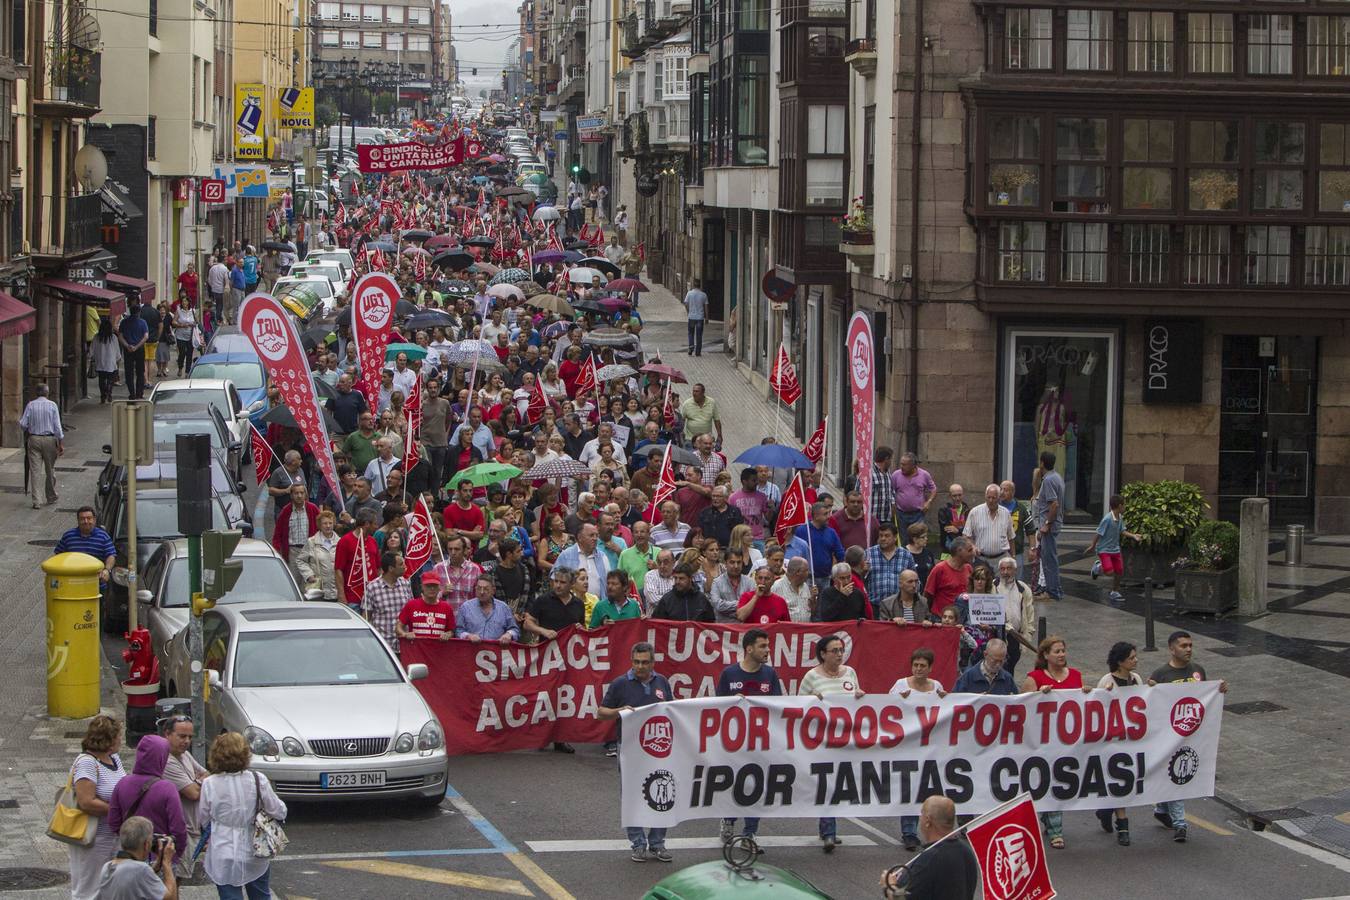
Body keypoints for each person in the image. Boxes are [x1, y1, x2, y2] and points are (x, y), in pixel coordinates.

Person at [598, 642, 676, 860]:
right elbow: (601, 713)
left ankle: (658, 843)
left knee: (663, 793)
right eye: (636, 662)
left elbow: (672, 710)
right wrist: (618, 711)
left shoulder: (662, 682)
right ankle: (638, 843)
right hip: (630, 748)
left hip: (659, 749)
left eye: (645, 662)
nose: (640, 667)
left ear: (653, 663)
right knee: (632, 795)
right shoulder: (620, 684)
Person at [1150, 630, 1228, 842]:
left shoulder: (1198, 671)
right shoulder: (1160, 675)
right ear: (1171, 648)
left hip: (1192, 736)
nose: (1188, 650)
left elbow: (1206, 700)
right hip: (1169, 738)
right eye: (1183, 646)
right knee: (1176, 777)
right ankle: (1180, 824)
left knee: (1175, 777)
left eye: (1190, 646)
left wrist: (1219, 691)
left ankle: (1161, 809)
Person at [797, 633, 865, 851]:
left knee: (840, 785)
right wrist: (811, 701)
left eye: (841, 650)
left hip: (846, 740)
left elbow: (858, 700)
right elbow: (797, 707)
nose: (839, 654)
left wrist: (861, 695)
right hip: (822, 742)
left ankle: (828, 827)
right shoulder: (811, 677)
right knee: (826, 785)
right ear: (823, 654)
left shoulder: (851, 673)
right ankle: (829, 831)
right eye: (834, 651)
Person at [200, 731, 287, 899]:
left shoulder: (209, 784)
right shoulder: (257, 779)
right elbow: (278, 810)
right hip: (254, 850)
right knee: (260, 895)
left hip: (222, 850)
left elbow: (203, 818)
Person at [717, 629, 782, 843]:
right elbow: (716, 707)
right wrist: (731, 702)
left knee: (757, 786)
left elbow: (778, 706)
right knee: (734, 783)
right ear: (749, 649)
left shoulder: (770, 674)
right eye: (763, 646)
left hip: (760, 743)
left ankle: (749, 832)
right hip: (734, 743)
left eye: (768, 646)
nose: (767, 650)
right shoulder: (729, 674)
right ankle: (728, 819)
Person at [1020, 635, 1086, 848]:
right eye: (1056, 651)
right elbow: (1021, 706)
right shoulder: (1035, 677)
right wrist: (1038, 695)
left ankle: (1050, 821)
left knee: (1061, 782)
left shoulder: (1075, 675)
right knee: (1048, 782)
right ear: (1045, 655)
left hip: (1068, 742)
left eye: (1063, 651)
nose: (1061, 655)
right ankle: (1056, 830)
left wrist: (1089, 693)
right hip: (1042, 741)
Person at [107, 733, 188, 879]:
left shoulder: (122, 783)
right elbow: (179, 829)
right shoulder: (167, 788)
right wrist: (174, 856)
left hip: (129, 859)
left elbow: (113, 823)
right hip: (160, 859)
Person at [889, 648, 947, 849]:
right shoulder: (900, 685)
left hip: (929, 747)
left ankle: (929, 830)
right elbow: (885, 711)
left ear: (930, 668)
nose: (918, 669)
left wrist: (944, 699)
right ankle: (909, 832)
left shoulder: (936, 686)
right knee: (909, 788)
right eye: (915, 665)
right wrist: (899, 700)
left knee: (926, 789)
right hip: (907, 746)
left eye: (923, 666)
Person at [1093, 641, 1146, 846]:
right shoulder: (1107, 681)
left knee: (1126, 781)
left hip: (1131, 740)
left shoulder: (1136, 679)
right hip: (1112, 742)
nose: (1136, 660)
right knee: (1119, 780)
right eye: (1131, 657)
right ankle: (1122, 825)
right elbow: (1096, 709)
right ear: (1120, 661)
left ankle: (1105, 811)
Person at [68, 715, 126, 899]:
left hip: (113, 834)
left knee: (111, 887)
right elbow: (86, 801)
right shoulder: (87, 762)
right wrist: (117, 810)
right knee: (90, 890)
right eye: (118, 736)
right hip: (93, 837)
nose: (121, 739)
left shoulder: (114, 758)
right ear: (107, 739)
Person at [879, 797, 979, 900]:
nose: (920, 818)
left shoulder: (929, 860)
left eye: (921, 814)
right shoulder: (966, 852)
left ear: (927, 821)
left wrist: (889, 887)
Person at [158, 715, 208, 880]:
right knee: (171, 882)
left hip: (191, 829)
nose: (186, 741)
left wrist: (196, 781)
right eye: (181, 736)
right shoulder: (167, 760)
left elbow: (208, 775)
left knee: (177, 882)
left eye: (189, 737)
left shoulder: (184, 755)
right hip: (179, 831)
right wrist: (199, 781)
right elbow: (193, 793)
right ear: (167, 734)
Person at [95, 815, 178, 900]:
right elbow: (171, 898)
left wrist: (156, 867)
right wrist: (167, 863)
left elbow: (131, 877)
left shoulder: (107, 867)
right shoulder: (140, 869)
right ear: (146, 845)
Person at [1086, 493, 1139, 604]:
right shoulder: (1107, 519)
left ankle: (1114, 591)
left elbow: (1122, 531)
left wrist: (1133, 535)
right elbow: (1098, 533)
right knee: (1109, 572)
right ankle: (1098, 567)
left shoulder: (1120, 517)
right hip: (1104, 549)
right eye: (1124, 505)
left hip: (1115, 549)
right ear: (1119, 506)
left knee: (1119, 571)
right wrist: (1092, 546)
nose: (1125, 507)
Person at [19, 384, 64, 509]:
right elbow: (57, 427)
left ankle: (36, 501)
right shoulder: (52, 405)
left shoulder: (30, 405)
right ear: (47, 393)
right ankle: (51, 496)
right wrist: (60, 443)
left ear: (36, 393)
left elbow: (23, 424)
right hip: (50, 439)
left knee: (35, 471)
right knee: (50, 470)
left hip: (34, 439)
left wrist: (30, 427)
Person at [993, 556, 1035, 676]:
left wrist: (1029, 632)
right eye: (1002, 569)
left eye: (1009, 569)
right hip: (998, 635)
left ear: (1015, 570)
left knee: (1011, 665)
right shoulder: (992, 587)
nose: (1005, 572)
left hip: (1016, 636)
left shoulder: (1023, 588)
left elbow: (1029, 611)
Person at [1032, 450, 1065, 601]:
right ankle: (1054, 589)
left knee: (1049, 559)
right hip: (1052, 524)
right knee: (1050, 557)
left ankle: (1052, 591)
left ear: (1042, 463)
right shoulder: (1057, 477)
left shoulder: (1049, 480)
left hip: (1049, 526)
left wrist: (1046, 524)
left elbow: (1054, 504)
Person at [335, 508, 381, 608]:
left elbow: (378, 568)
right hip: (352, 598)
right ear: (367, 524)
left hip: (371, 597)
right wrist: (341, 594)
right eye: (375, 524)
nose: (377, 527)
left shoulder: (373, 541)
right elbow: (338, 570)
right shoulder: (345, 541)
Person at [797, 501, 847, 593]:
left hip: (825, 578)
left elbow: (840, 554)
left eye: (829, 513)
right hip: (806, 578)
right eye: (825, 514)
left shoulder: (831, 533)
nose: (829, 517)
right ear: (816, 516)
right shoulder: (802, 531)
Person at [963, 483, 1015, 570]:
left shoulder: (1006, 513)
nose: (991, 500)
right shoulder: (974, 512)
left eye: (994, 498)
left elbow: (1011, 537)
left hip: (1002, 559)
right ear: (985, 497)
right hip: (981, 559)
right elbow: (966, 536)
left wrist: (1013, 556)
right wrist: (973, 547)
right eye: (988, 497)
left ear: (999, 498)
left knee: (1001, 583)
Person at [455, 574, 520, 643]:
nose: (482, 592)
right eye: (479, 588)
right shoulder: (466, 607)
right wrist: (468, 636)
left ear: (493, 591)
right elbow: (458, 631)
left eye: (486, 589)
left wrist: (509, 634)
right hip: (472, 651)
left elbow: (515, 630)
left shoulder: (503, 608)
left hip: (496, 651)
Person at [396, 569, 456, 642]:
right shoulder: (411, 605)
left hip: (438, 651)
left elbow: (452, 631)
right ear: (422, 587)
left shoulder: (446, 607)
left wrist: (448, 635)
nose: (432, 588)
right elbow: (398, 627)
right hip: (416, 651)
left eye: (434, 585)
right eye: (428, 586)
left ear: (439, 587)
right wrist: (405, 634)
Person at [294, 509, 339, 600]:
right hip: (318, 590)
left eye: (330, 523)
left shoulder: (341, 542)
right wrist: (309, 574)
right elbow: (300, 560)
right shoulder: (311, 542)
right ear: (319, 525)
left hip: (337, 591)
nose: (328, 526)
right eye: (325, 523)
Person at [889, 453, 936, 536]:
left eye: (904, 465)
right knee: (904, 540)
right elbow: (891, 491)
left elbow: (933, 489)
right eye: (901, 464)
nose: (901, 467)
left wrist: (929, 502)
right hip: (901, 514)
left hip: (918, 514)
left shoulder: (924, 475)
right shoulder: (896, 475)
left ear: (913, 465)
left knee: (918, 538)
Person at [924, 537, 974, 614]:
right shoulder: (940, 569)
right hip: (941, 619)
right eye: (969, 550)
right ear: (959, 551)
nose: (973, 553)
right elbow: (928, 595)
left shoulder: (969, 568)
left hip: (962, 619)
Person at [651, 563, 715, 621]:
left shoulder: (701, 599)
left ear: (690, 578)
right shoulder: (667, 600)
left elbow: (710, 623)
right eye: (675, 578)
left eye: (681, 578)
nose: (677, 582)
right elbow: (655, 623)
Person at [709, 549, 755, 623]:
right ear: (725, 563)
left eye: (739, 562)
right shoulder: (717, 582)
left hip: (745, 628)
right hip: (724, 628)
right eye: (732, 562)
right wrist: (742, 603)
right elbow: (718, 606)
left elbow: (753, 605)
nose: (736, 566)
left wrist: (728, 608)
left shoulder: (750, 582)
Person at [118, 302, 150, 398]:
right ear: (139, 312)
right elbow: (146, 337)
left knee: (129, 372)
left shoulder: (124, 322)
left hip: (128, 350)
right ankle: (139, 393)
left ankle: (132, 393)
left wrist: (127, 346)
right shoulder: (143, 322)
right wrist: (136, 346)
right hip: (139, 349)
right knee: (140, 371)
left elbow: (120, 336)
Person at [773, 556, 815, 623]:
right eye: (806, 570)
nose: (809, 573)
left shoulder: (805, 586)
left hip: (805, 630)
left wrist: (813, 599)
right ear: (798, 572)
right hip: (787, 631)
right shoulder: (777, 586)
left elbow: (811, 611)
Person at [679, 383, 722, 447]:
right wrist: (681, 435)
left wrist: (719, 435)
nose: (694, 393)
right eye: (693, 391)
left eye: (697, 391)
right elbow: (682, 420)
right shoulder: (687, 404)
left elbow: (717, 420)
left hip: (707, 440)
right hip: (691, 440)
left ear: (703, 393)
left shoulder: (711, 402)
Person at [93, 317, 123, 403]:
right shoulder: (113, 338)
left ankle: (103, 396)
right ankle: (109, 394)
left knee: (101, 380)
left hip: (100, 363)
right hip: (111, 363)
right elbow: (117, 351)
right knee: (110, 379)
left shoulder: (97, 337)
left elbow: (92, 350)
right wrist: (118, 359)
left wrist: (93, 357)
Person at [681, 279, 708, 356]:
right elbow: (706, 307)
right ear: (700, 285)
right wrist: (707, 318)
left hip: (691, 317)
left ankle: (691, 346)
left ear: (693, 285)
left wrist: (688, 312)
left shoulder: (689, 293)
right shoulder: (703, 295)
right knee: (699, 335)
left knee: (690, 333)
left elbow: (685, 303)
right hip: (700, 317)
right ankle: (698, 352)